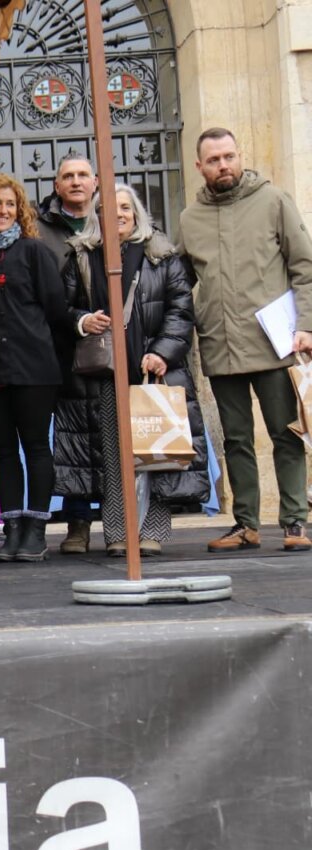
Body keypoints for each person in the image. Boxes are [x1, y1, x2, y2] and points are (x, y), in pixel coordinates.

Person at [54, 184, 209, 557]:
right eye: (108, 208)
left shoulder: (162, 255)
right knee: (112, 456)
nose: (118, 214)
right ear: (97, 216)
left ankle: (151, 532)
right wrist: (83, 320)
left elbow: (180, 311)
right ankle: (117, 533)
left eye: (125, 207)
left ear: (136, 213)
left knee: (153, 453)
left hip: (150, 373)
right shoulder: (80, 256)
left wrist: (162, 353)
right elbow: (62, 308)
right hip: (103, 376)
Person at [179, 127, 312, 552]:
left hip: (275, 344)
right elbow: (180, 283)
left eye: (229, 156)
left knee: (286, 433)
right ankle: (245, 525)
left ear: (240, 156)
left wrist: (306, 326)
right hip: (221, 345)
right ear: (199, 166)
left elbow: (304, 267)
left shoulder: (273, 201)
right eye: (214, 160)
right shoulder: (189, 218)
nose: (223, 165)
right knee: (236, 441)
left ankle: (294, 522)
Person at [0, 174, 68, 562]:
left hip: (34, 370)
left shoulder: (33, 252)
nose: (3, 210)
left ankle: (36, 531)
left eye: (10, 204)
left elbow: (55, 310)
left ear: (19, 210)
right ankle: (11, 530)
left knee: (37, 448)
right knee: (4, 453)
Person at [36, 154, 102, 555]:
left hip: (112, 344)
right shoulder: (38, 228)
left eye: (82, 175)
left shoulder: (115, 218)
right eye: (68, 176)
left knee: (110, 435)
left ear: (95, 182)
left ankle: (118, 520)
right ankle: (78, 523)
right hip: (60, 345)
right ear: (56, 185)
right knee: (73, 437)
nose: (76, 182)